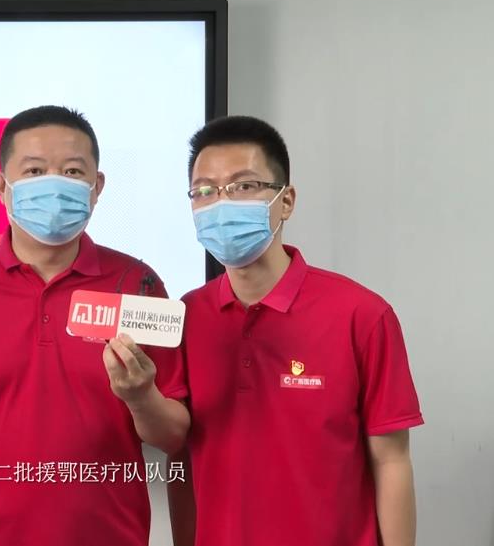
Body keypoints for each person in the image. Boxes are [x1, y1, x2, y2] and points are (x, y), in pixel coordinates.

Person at [0, 105, 189, 546]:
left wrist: (141, 397)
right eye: (34, 171)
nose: (54, 185)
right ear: (2, 186)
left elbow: (174, 436)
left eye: (72, 172)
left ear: (97, 187)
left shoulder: (138, 285)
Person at [171, 115, 423, 546]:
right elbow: (181, 459)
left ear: (285, 201)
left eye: (244, 186)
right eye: (205, 191)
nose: (221, 204)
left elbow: (391, 461)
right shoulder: (186, 316)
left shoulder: (362, 315)